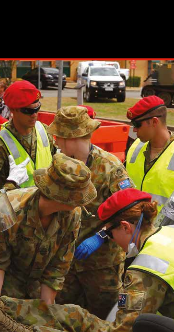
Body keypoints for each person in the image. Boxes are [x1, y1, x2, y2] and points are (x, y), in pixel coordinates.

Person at [0, 188, 174, 332]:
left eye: (108, 234)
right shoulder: (172, 235)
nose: (110, 240)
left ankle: (24, 331)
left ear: (126, 227)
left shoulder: (146, 269)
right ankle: (0, 306)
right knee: (77, 315)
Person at [0, 154, 97, 304]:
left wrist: (46, 312)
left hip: (32, 288)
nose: (81, 202)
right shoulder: (6, 210)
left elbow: (56, 269)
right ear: (63, 198)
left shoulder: (72, 215)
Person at [49, 106, 135, 319]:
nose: (56, 142)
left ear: (71, 136)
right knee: (64, 316)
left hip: (102, 264)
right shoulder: (61, 164)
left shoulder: (109, 167)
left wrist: (102, 235)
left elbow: (130, 209)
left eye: (59, 136)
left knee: (103, 317)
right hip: (67, 260)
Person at [0, 80, 56, 190]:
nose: (34, 115)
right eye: (28, 111)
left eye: (37, 108)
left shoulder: (44, 131)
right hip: (17, 205)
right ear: (13, 110)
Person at [125, 96, 174, 212]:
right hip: (134, 227)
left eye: (137, 124)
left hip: (168, 229)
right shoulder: (134, 147)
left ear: (154, 122)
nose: (134, 130)